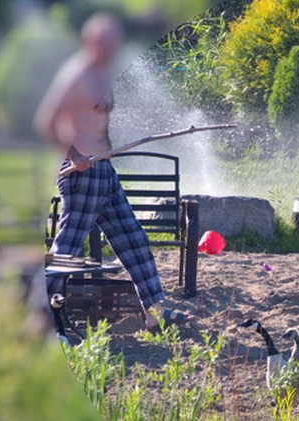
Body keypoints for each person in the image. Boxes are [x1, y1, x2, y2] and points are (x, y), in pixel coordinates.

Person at [33, 13, 191, 337]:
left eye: (114, 45)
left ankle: (155, 314)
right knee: (67, 252)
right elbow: (46, 123)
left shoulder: (103, 75)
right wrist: (75, 156)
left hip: (105, 172)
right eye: (105, 45)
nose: (111, 52)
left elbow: (97, 123)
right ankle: (43, 320)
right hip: (82, 177)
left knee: (134, 240)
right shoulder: (75, 75)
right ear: (90, 42)